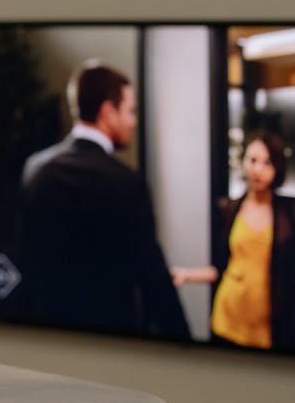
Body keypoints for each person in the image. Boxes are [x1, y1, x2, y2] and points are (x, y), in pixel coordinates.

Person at [18, 61, 190, 338]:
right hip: (111, 338)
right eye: (130, 111)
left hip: (48, 334)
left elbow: (26, 260)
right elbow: (153, 278)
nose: (133, 121)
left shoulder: (35, 169)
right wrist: (184, 344)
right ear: (108, 112)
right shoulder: (125, 181)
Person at [171, 132, 295, 352]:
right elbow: (221, 269)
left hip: (276, 331)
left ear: (277, 167)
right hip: (227, 321)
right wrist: (186, 274)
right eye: (252, 160)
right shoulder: (228, 209)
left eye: (267, 162)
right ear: (244, 163)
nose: (257, 169)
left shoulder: (294, 212)